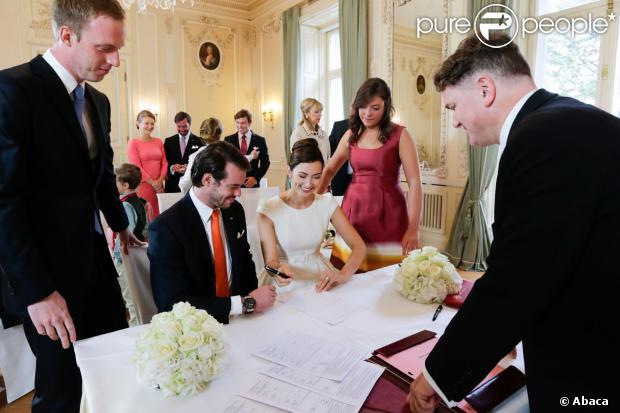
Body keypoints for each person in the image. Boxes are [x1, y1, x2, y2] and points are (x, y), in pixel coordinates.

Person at [407, 33, 620, 413]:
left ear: (485, 89)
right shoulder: (570, 119)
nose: (454, 122)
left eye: (453, 106)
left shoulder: (540, 137)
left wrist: (436, 377)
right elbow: (559, 259)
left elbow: (515, 281)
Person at [0, 1, 143, 411]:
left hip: (95, 264)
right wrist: (38, 291)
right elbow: (4, 202)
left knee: (115, 364)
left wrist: (121, 223)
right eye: (104, 48)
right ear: (66, 35)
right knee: (62, 389)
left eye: (118, 48)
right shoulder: (12, 91)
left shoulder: (98, 102)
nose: (115, 61)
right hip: (45, 278)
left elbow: (99, 175)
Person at [148, 141, 276, 324]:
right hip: (197, 329)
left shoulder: (234, 211)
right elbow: (171, 303)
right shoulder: (166, 228)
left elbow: (244, 262)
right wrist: (247, 303)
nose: (239, 193)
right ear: (207, 180)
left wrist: (250, 308)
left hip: (243, 321)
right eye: (233, 186)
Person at [317, 78, 422, 271]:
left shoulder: (400, 135)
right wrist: (316, 204)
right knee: (350, 270)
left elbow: (415, 182)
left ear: (386, 106)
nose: (367, 113)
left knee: (387, 273)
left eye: (375, 107)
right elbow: (330, 169)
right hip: (354, 209)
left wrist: (413, 227)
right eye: (362, 107)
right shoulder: (351, 134)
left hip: (389, 211)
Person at [257, 139, 365, 292]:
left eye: (316, 176)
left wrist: (343, 275)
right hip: (284, 284)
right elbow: (271, 262)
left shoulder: (326, 202)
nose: (309, 184)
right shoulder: (269, 208)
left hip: (319, 278)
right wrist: (277, 271)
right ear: (289, 171)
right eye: (302, 175)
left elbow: (359, 246)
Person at [179, 117, 259, 195]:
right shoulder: (228, 151)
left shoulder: (195, 156)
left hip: (206, 200)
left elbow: (184, 185)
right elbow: (241, 159)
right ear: (220, 133)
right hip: (226, 199)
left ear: (202, 134)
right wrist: (252, 156)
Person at [112, 163, 147, 326]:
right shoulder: (139, 201)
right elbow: (144, 229)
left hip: (125, 258)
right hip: (137, 255)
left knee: (130, 298)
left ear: (125, 185)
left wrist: (117, 257)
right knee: (135, 296)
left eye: (116, 182)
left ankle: (134, 330)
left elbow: (126, 233)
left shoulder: (125, 205)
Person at [127, 110, 168, 218]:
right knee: (147, 217)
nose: (150, 126)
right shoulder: (133, 143)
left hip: (159, 187)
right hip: (144, 186)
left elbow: (164, 162)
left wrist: (160, 181)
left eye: (152, 123)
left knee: (160, 216)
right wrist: (153, 183)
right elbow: (137, 166)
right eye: (146, 123)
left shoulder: (158, 141)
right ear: (138, 123)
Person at [224, 109, 270, 188]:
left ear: (250, 122)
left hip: (252, 185)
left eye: (243, 123)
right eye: (237, 123)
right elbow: (226, 162)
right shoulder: (228, 140)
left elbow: (265, 163)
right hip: (233, 184)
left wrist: (255, 178)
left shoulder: (260, 140)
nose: (240, 126)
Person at [163, 111, 204, 193]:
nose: (182, 129)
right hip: (172, 185)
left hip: (192, 186)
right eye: (179, 126)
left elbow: (202, 164)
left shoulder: (199, 141)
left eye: (185, 126)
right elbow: (164, 162)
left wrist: (189, 168)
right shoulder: (168, 141)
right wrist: (172, 168)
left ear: (190, 124)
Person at [290, 98, 330, 165]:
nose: (320, 114)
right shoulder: (297, 133)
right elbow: (297, 159)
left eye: (321, 112)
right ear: (306, 113)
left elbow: (328, 157)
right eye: (316, 112)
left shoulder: (323, 134)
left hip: (323, 173)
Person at [328, 117, 352, 196]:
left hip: (364, 179)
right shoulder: (339, 125)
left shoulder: (374, 128)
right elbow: (330, 150)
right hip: (340, 177)